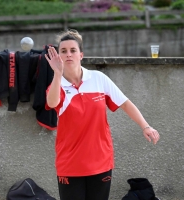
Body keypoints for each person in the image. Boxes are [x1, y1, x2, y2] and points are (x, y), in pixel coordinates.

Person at [44, 29, 160, 200]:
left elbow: (125, 103)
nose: (68, 55)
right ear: (58, 56)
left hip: (101, 161)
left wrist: (145, 126)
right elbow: (52, 103)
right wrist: (57, 73)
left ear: (81, 55)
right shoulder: (57, 84)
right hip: (69, 163)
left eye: (73, 50)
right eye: (63, 51)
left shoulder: (99, 78)